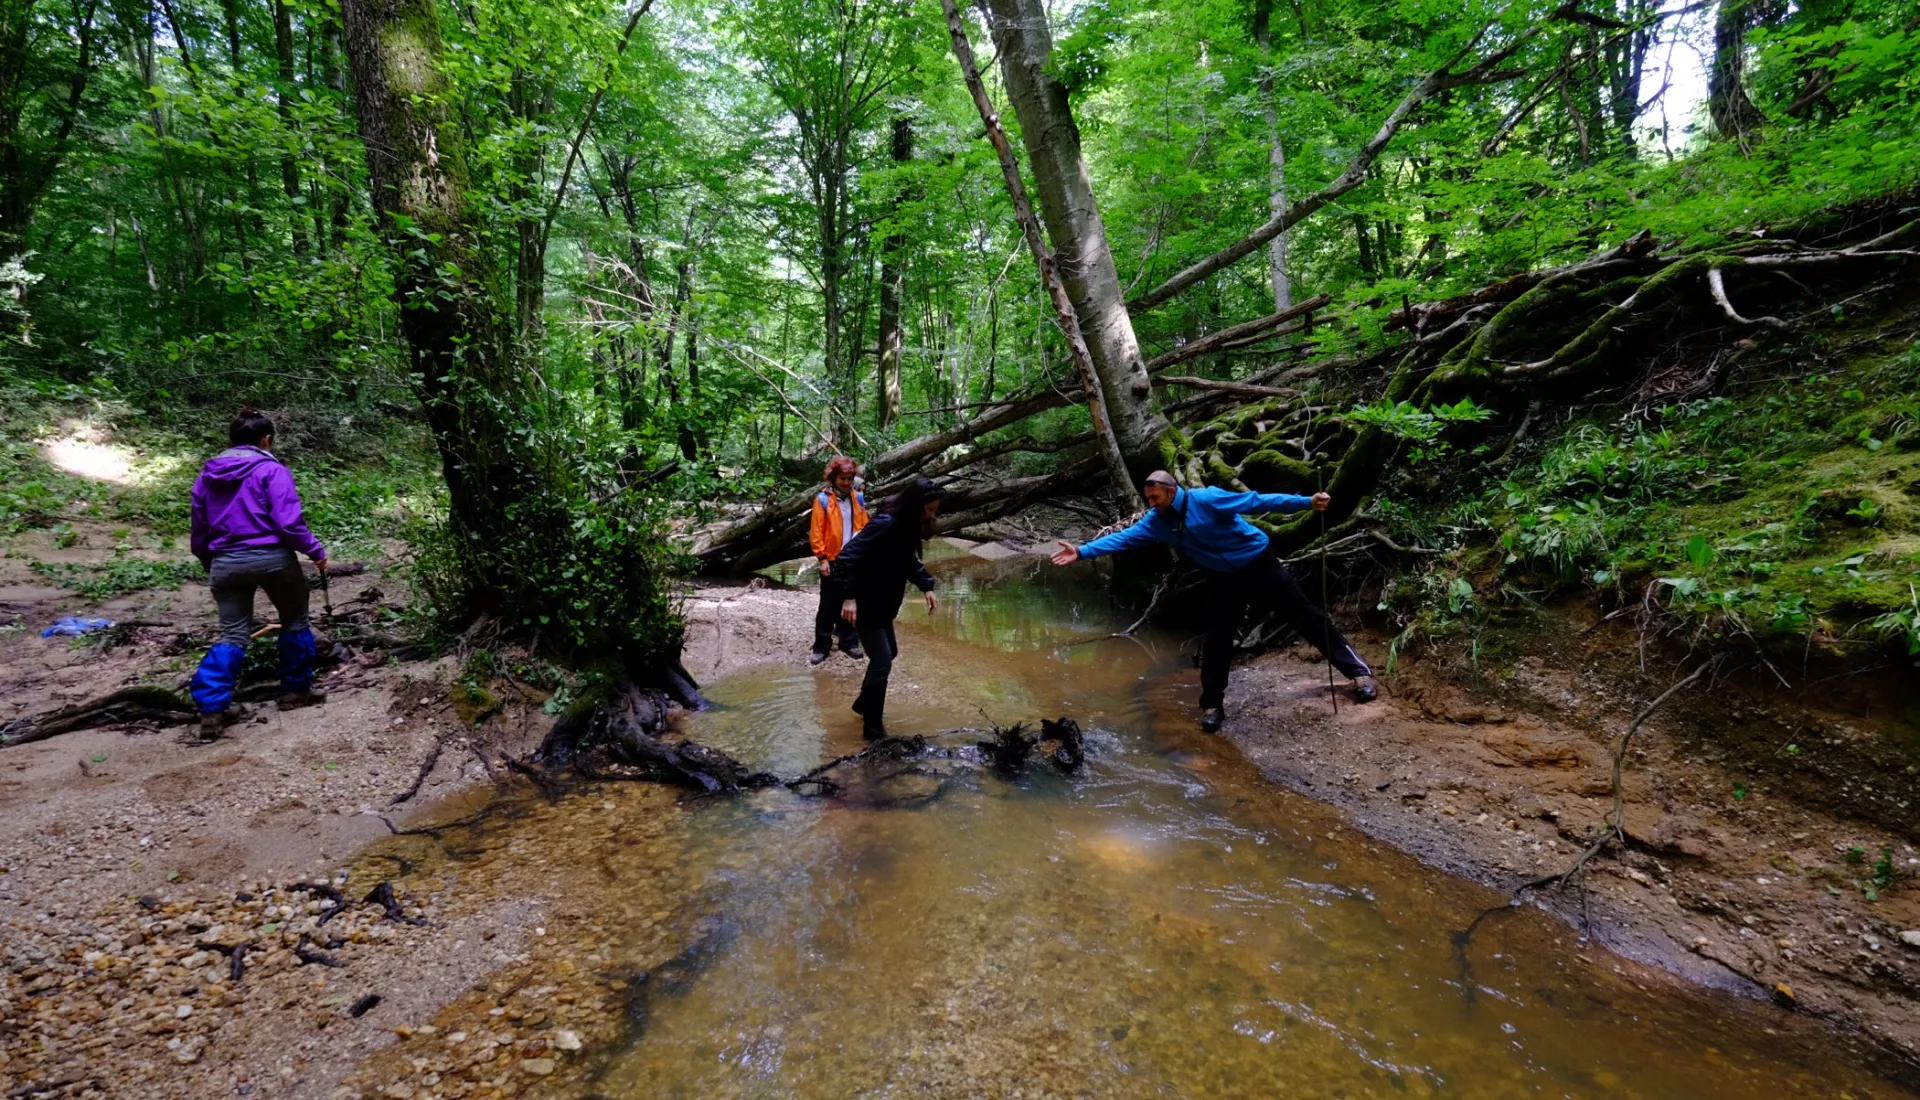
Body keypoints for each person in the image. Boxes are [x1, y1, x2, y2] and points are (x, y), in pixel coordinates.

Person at [1050, 470, 1376, 732]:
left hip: (1259, 562)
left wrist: (1306, 503)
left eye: (1155, 497)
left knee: (1305, 616)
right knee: (1217, 639)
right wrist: (1081, 551)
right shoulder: (1157, 522)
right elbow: (1122, 539)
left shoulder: (1208, 500)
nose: (1151, 504)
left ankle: (1358, 674)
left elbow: (1256, 501)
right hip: (1222, 578)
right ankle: (1211, 706)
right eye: (1147, 498)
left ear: (1171, 490)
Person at [187, 409, 329, 741]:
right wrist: (315, 551)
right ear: (266, 440)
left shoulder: (207, 475)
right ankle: (295, 691)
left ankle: (212, 709)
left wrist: (212, 561)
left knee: (232, 635)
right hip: (273, 559)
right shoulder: (271, 470)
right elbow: (287, 522)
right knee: (295, 620)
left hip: (225, 561)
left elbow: (199, 529)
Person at [833, 477, 943, 739]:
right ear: (916, 505)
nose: (931, 515)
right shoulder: (885, 524)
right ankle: (872, 728)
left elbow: (907, 560)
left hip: (883, 604)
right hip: (867, 602)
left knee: (889, 653)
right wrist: (849, 598)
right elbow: (845, 559)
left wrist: (926, 585)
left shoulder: (904, 528)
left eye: (935, 510)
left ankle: (863, 703)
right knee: (882, 661)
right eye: (929, 510)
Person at [808, 456, 869, 664]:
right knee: (828, 603)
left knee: (851, 600)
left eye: (849, 478)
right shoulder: (823, 500)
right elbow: (816, 532)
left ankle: (849, 642)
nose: (845, 482)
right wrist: (822, 558)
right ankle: (821, 646)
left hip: (853, 559)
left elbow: (864, 526)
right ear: (833, 478)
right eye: (842, 478)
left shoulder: (858, 499)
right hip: (831, 559)